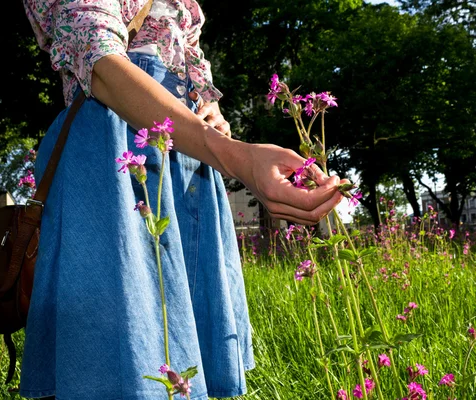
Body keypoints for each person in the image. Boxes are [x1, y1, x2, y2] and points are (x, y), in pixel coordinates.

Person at [20, 0, 345, 399]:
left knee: (185, 370)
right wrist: (236, 157)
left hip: (189, 165)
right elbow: (100, 62)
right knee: (117, 362)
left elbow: (190, 63)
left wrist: (213, 115)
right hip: (117, 160)